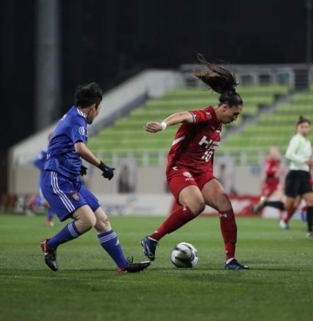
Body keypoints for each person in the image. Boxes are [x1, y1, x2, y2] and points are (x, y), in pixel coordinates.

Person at [140, 54, 248, 270]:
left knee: (225, 203)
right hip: (180, 169)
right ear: (224, 108)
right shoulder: (206, 116)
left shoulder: (219, 124)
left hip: (202, 173)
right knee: (197, 204)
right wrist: (162, 125)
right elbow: (182, 115)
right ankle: (152, 238)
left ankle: (230, 260)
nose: (235, 118)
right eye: (235, 114)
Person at [40, 82, 150, 274]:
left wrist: (76, 165)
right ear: (93, 107)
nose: (98, 114)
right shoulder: (77, 119)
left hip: (71, 178)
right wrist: (102, 166)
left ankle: (123, 265)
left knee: (102, 221)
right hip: (58, 179)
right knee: (87, 221)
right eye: (98, 110)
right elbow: (79, 148)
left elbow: (61, 143)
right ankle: (50, 245)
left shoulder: (73, 114)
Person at [278, 116, 313, 237]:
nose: (305, 129)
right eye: (302, 126)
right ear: (298, 128)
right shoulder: (296, 139)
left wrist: (311, 162)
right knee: (290, 203)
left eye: (307, 127)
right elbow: (289, 154)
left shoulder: (307, 142)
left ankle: (311, 229)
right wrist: (304, 160)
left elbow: (305, 159)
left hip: (304, 174)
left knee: (310, 200)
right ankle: (279, 214)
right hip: (295, 173)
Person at [29, 133, 56, 226]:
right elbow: (36, 161)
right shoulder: (45, 151)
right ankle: (34, 201)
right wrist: (47, 167)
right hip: (44, 181)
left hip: (55, 180)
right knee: (46, 202)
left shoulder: (57, 151)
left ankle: (49, 220)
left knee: (53, 201)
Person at [252, 145, 285, 215]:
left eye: (277, 151)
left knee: (280, 199)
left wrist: (282, 172)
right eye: (274, 151)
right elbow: (267, 170)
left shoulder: (278, 161)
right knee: (263, 199)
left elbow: (280, 170)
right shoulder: (269, 161)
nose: (276, 153)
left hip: (276, 182)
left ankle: (282, 217)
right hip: (268, 183)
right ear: (271, 152)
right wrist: (276, 170)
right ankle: (257, 207)